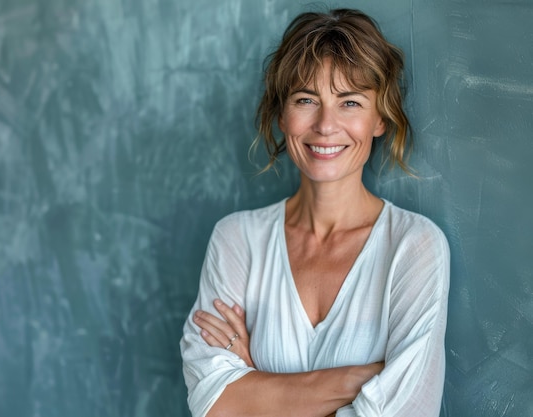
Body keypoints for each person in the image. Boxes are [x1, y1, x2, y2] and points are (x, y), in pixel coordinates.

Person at [180, 8, 450, 417]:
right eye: (306, 99)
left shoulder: (414, 246)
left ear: (380, 117)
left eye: (350, 102)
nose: (326, 125)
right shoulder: (236, 239)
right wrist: (363, 379)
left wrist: (254, 382)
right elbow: (213, 403)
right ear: (282, 114)